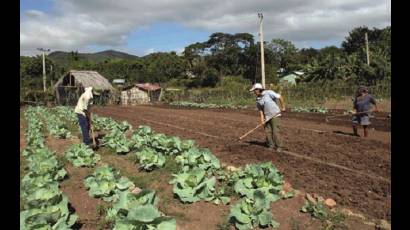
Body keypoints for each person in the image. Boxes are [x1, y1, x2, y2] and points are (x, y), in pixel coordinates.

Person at [250, 83, 286, 152]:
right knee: (268, 132)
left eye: (254, 91)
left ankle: (279, 146)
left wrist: (283, 107)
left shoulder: (269, 93)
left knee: (275, 132)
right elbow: (260, 110)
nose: (254, 92)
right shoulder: (258, 99)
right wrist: (262, 119)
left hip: (275, 115)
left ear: (258, 90)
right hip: (267, 117)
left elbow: (280, 97)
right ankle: (271, 145)